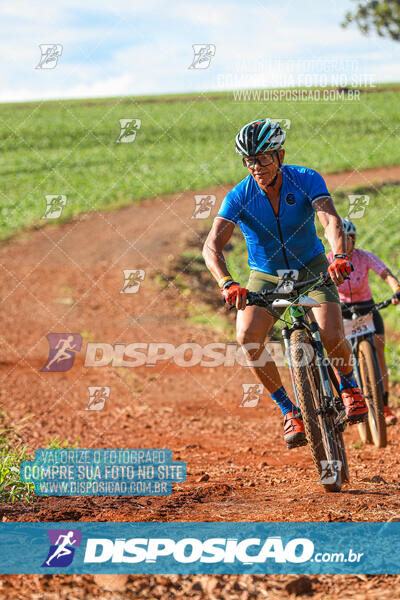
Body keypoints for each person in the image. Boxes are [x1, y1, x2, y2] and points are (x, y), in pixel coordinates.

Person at [202, 118, 368, 449]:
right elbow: (211, 246)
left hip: (312, 269)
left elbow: (330, 220)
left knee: (332, 332)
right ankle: (289, 410)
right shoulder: (240, 196)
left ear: (280, 155)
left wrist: (338, 256)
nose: (256, 167)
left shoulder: (305, 179)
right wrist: (227, 282)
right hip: (266, 276)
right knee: (247, 336)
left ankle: (349, 386)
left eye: (262, 158)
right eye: (249, 161)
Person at [328, 218, 400, 426]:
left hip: (367, 308)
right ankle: (344, 397)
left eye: (350, 237)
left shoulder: (364, 257)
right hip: (342, 310)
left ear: (354, 239)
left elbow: (385, 273)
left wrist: (396, 289)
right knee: (338, 354)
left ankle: (384, 405)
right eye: (342, 237)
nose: (346, 241)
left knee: (378, 351)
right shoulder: (328, 261)